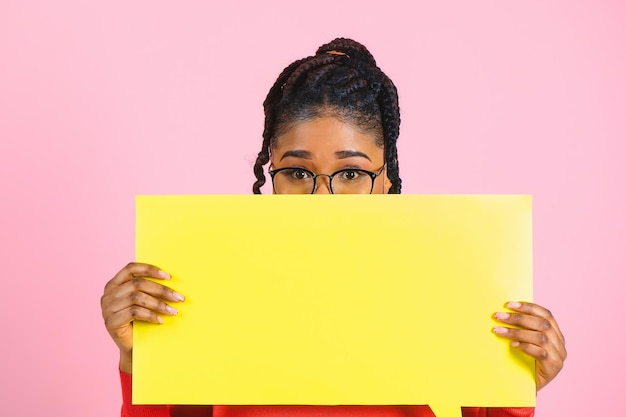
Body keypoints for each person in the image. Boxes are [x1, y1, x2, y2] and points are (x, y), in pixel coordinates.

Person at [101, 38, 567, 417]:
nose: (322, 199)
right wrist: (138, 359)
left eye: (350, 174)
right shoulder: (210, 289)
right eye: (298, 173)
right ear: (272, 175)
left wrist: (513, 388)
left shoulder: (451, 287)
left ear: (384, 180)